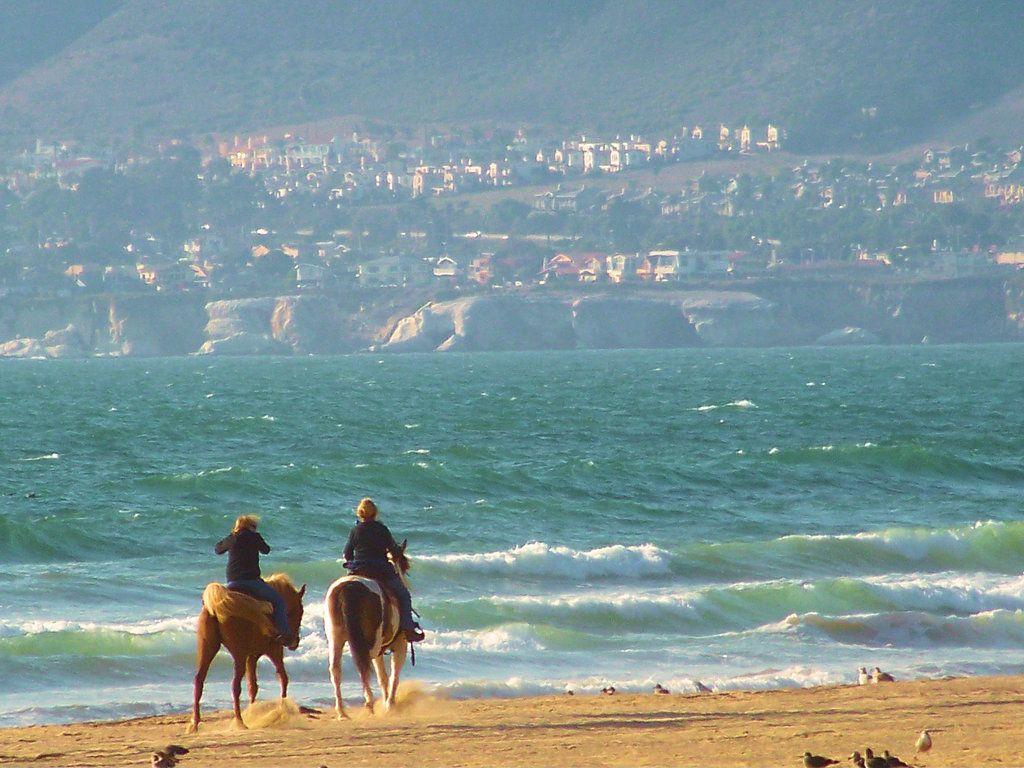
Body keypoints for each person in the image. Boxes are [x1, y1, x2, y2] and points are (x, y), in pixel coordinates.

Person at [343, 498, 425, 642]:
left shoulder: (355, 530)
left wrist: (354, 562)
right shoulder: (382, 529)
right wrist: (397, 551)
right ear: (375, 513)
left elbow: (347, 553)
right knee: (404, 595)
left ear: (360, 513)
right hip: (380, 571)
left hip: (359, 570)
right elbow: (394, 551)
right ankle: (408, 628)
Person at [214, 514, 295, 646]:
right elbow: (266, 550)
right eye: (254, 526)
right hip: (251, 581)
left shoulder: (232, 538)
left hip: (232, 582)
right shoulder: (254, 536)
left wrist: (230, 538)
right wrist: (256, 539)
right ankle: (284, 634)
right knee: (279, 601)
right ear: (250, 526)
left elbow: (218, 550)